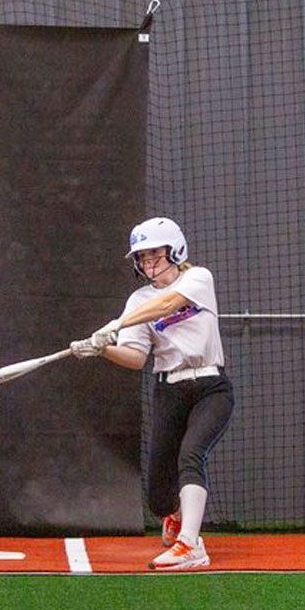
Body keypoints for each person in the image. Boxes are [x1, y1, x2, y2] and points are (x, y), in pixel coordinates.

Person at [71, 217, 233, 570]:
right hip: (169, 390)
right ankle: (173, 515)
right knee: (159, 495)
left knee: (191, 455)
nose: (148, 264)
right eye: (141, 259)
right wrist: (102, 349)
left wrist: (116, 324)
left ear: (175, 250)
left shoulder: (197, 278)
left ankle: (191, 544)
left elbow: (167, 305)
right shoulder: (137, 301)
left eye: (154, 255)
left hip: (210, 387)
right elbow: (135, 357)